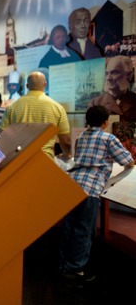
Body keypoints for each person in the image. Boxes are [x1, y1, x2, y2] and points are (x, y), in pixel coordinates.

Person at [59, 105, 134, 282]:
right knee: (83, 230)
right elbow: (128, 161)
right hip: (91, 188)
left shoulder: (82, 136)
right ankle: (75, 270)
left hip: (73, 184)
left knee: (69, 227)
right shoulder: (108, 138)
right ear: (105, 122)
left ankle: (63, 265)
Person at [0, 71, 72, 160]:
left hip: (19, 161)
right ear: (45, 84)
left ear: (27, 86)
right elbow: (65, 140)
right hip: (45, 161)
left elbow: (2, 136)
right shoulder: (57, 108)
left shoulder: (12, 107)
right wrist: (66, 154)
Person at [89, 55, 136, 122]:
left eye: (114, 72)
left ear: (129, 75)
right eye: (107, 73)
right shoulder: (95, 103)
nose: (108, 78)